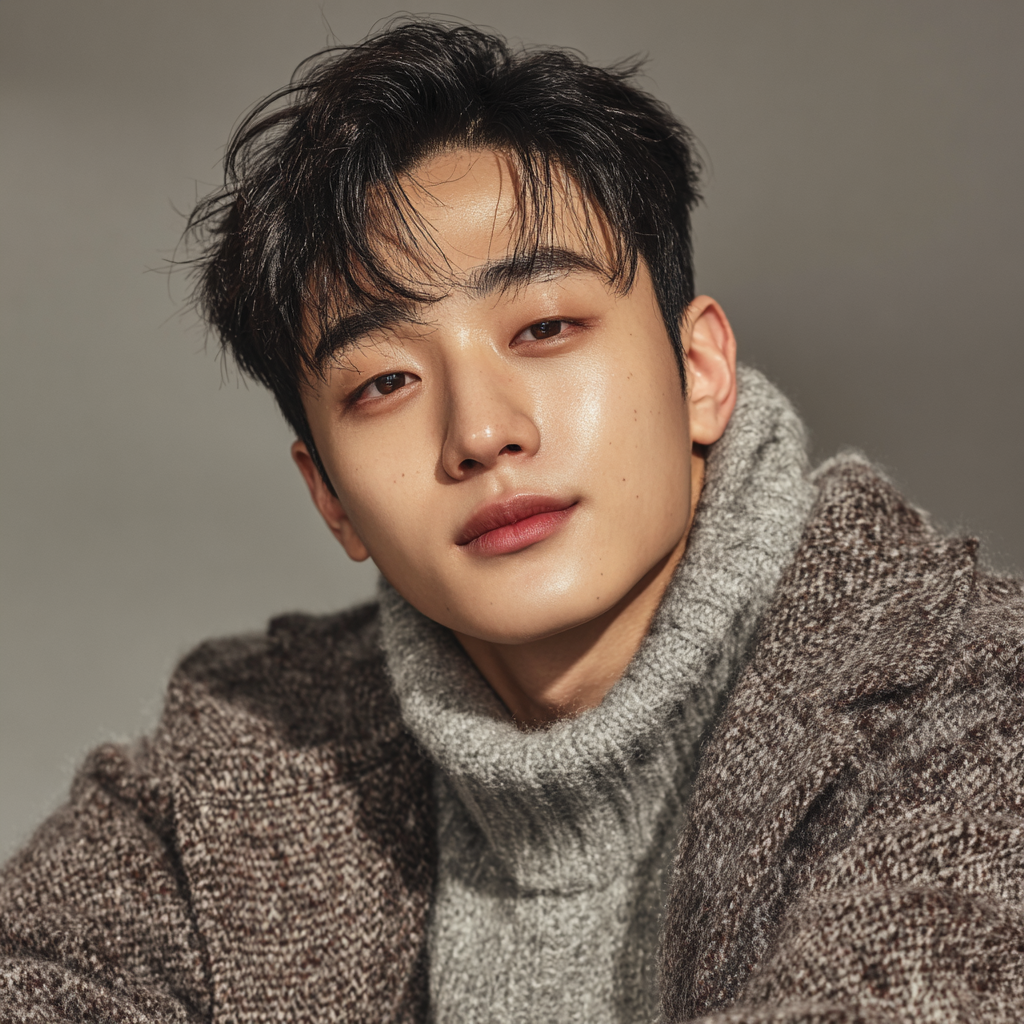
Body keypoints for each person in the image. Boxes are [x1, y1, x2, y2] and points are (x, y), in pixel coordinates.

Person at [1, 20, 1021, 1024]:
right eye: (385, 383)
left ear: (701, 372)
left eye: (544, 327)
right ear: (331, 498)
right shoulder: (229, 776)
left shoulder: (971, 709)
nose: (482, 434)